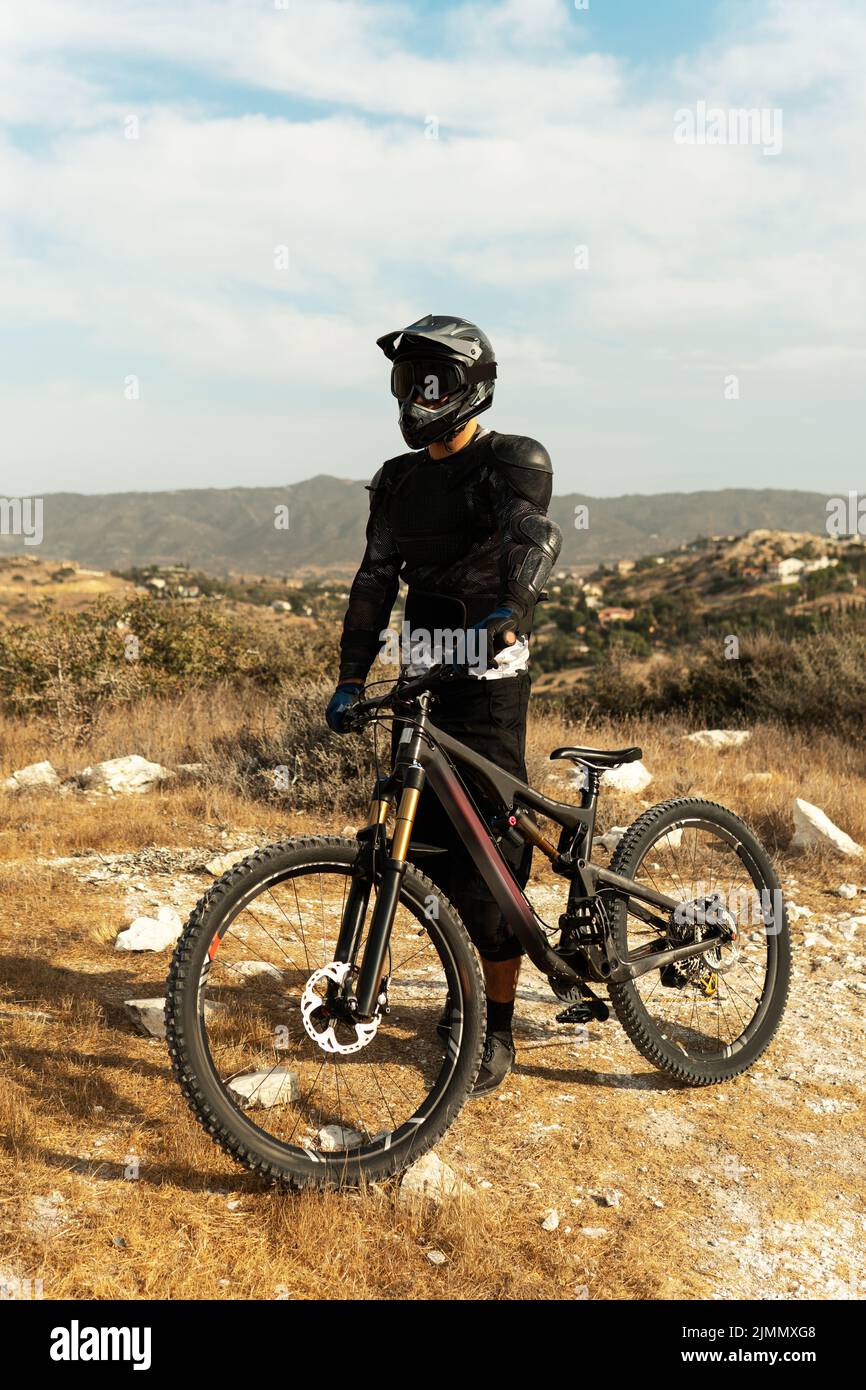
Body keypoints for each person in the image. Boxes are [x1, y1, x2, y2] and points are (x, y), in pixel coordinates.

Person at [325, 314, 562, 1095]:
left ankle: (491, 1026)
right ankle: (414, 983)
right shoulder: (397, 480)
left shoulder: (512, 461)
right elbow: (374, 581)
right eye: (410, 382)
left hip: (489, 680)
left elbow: (535, 539)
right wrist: (353, 677)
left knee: (489, 863)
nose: (421, 397)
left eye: (436, 383)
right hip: (421, 676)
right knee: (414, 844)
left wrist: (513, 612)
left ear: (470, 387)